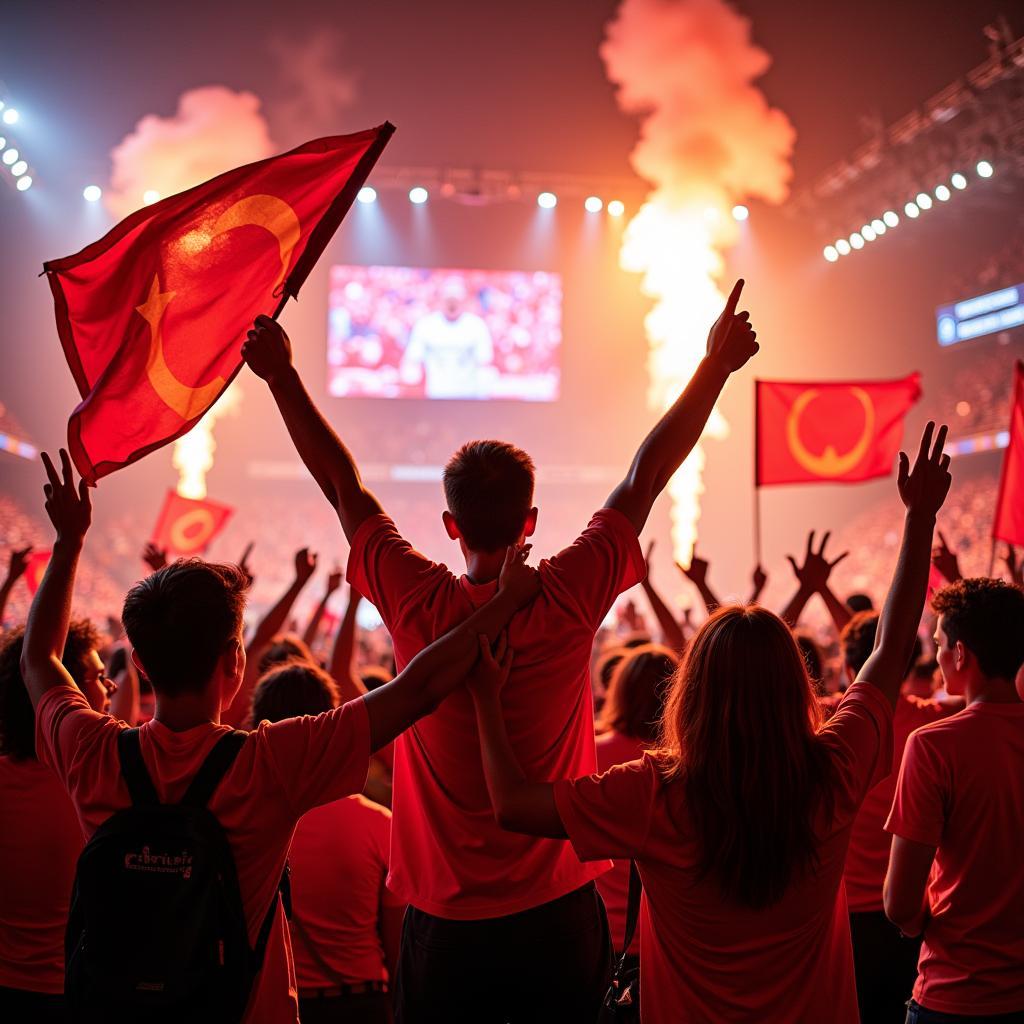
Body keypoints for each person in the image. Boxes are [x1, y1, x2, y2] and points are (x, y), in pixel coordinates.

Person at [242, 278, 758, 1021]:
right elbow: (647, 476)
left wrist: (282, 375)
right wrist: (714, 367)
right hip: (557, 909)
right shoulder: (571, 592)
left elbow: (340, 483)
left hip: (445, 925)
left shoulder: (413, 595)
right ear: (532, 521)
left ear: (450, 525)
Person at [19, 449, 540, 1023]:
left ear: (138, 663)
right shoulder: (270, 763)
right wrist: (506, 601)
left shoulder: (91, 754)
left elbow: (38, 658)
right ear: (236, 663)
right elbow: (418, 688)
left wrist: (68, 542)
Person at [467, 422, 953, 1023]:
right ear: (794, 685)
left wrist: (486, 697)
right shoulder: (834, 770)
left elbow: (512, 805)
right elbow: (888, 650)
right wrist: (920, 517)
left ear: (692, 692)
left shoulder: (654, 792)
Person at [885, 577, 1024, 1023]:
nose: (938, 656)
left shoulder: (933, 746)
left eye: (941, 643)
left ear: (961, 653)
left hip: (955, 991)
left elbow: (900, 901)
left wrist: (914, 923)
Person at [251, 661, 403, 1024]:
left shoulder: (247, 820)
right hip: (362, 1000)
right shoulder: (377, 823)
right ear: (329, 725)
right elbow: (398, 945)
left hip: (275, 1003)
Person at [839, 612, 952, 1024]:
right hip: (913, 914)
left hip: (844, 919)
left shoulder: (827, 721)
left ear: (850, 667)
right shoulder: (934, 722)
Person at [0, 618, 109, 1022]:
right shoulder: (100, 781)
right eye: (99, 677)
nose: (111, 686)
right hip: (74, 993)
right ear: (67, 697)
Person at [594, 644, 677, 960]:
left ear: (620, 693)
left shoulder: (591, 754)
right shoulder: (689, 762)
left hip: (604, 930)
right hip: (671, 936)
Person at [400, 278, 494, 399]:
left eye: (456, 300)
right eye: (448, 300)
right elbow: (412, 362)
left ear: (464, 301)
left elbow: (485, 363)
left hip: (469, 398)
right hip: (435, 398)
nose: (452, 305)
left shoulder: (476, 326)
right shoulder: (425, 325)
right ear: (440, 300)